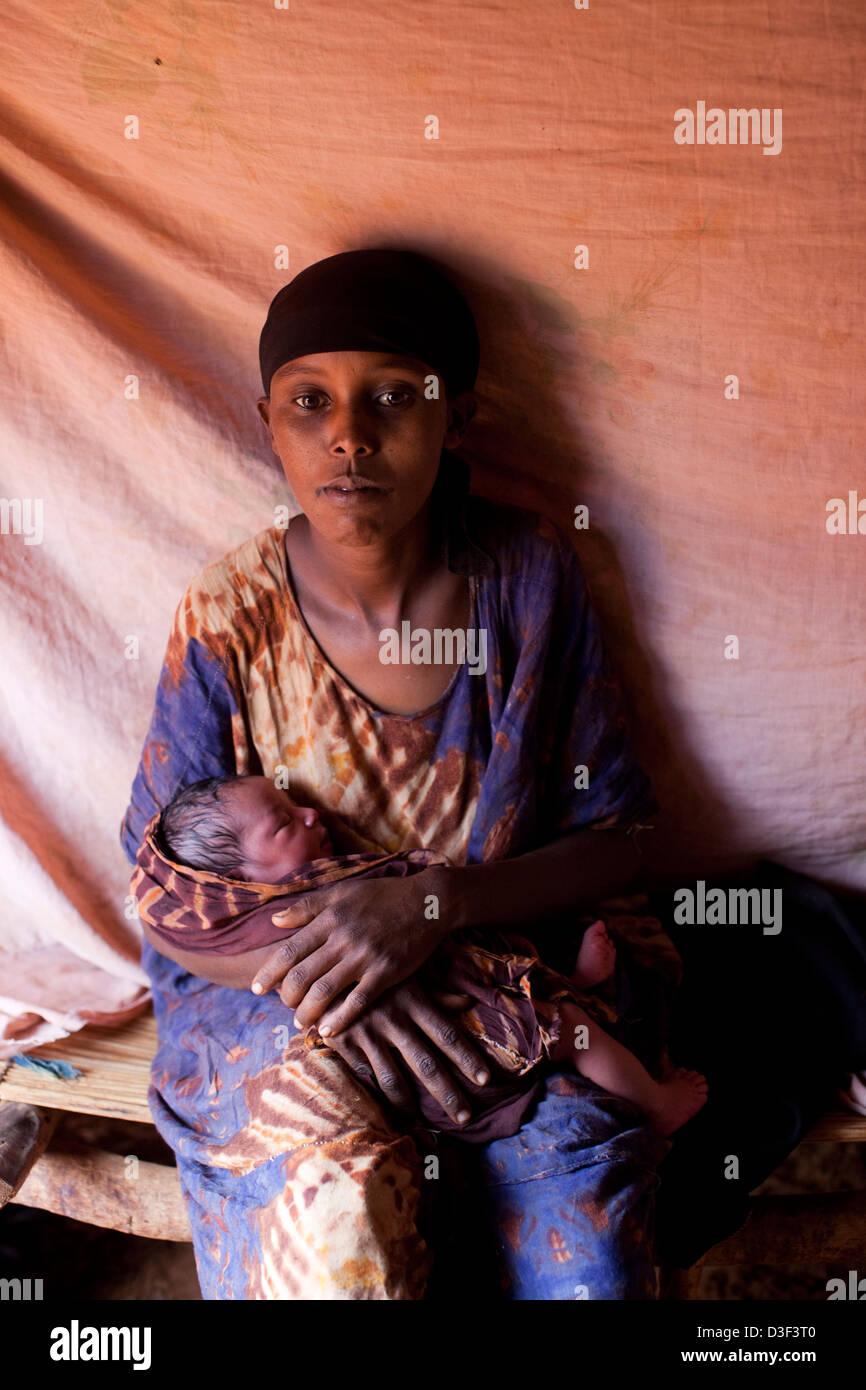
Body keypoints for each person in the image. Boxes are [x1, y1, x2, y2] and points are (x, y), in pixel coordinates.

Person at [120, 246, 673, 1300]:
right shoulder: (227, 613)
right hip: (282, 996)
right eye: (309, 402)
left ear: (457, 416)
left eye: (392, 398)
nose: (348, 436)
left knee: (579, 1219)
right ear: (266, 420)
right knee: (334, 1208)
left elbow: (625, 839)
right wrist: (343, 989)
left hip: (508, 973)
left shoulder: (528, 579)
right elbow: (164, 891)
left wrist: (433, 904)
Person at [136, 772, 708, 1140]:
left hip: (454, 973)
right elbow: (154, 898)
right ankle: (655, 1103)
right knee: (569, 1031)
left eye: (295, 804)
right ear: (237, 881)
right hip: (450, 1033)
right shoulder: (281, 912)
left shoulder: (297, 891)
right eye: (284, 822)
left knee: (508, 964)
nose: (311, 814)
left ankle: (569, 981)